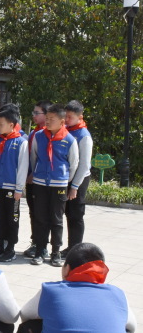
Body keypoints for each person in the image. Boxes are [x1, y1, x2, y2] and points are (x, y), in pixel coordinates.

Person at [28, 103, 78, 267]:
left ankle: (56, 252)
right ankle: (40, 251)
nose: (48, 121)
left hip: (59, 185)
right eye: (47, 118)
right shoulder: (39, 136)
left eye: (52, 119)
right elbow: (34, 157)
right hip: (40, 183)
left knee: (57, 219)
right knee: (40, 218)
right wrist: (37, 174)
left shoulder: (69, 140)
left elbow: (73, 163)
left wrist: (65, 180)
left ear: (62, 121)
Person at [0, 107, 29, 262]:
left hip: (12, 188)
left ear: (11, 125)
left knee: (12, 218)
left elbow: (22, 167)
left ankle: (10, 247)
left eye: (1, 124)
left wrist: (19, 188)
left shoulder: (21, 142)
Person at [23, 100, 53, 259]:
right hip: (30, 179)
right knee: (33, 211)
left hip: (40, 179)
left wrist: (34, 174)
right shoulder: (35, 133)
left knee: (42, 213)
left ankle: (43, 245)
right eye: (33, 112)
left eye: (37, 113)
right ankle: (35, 241)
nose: (34, 115)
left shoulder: (48, 134)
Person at [64, 100, 93, 255]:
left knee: (76, 214)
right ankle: (70, 247)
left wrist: (75, 186)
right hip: (67, 177)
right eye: (66, 116)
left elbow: (84, 164)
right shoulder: (66, 130)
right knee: (68, 213)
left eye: (70, 117)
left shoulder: (84, 135)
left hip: (79, 179)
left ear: (80, 117)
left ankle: (76, 249)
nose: (67, 119)